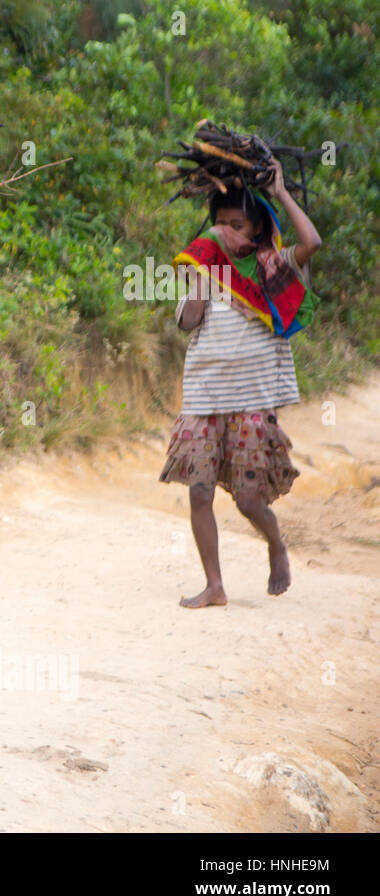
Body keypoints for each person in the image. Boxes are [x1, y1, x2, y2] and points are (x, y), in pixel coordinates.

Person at [160, 160, 321, 608]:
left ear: (256, 230)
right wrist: (197, 276)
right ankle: (215, 585)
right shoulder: (204, 268)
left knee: (250, 501)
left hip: (252, 398)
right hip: (204, 395)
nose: (224, 233)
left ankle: (275, 544)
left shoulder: (273, 266)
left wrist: (283, 192)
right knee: (199, 491)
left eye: (236, 225)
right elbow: (189, 321)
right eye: (218, 226)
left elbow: (312, 242)